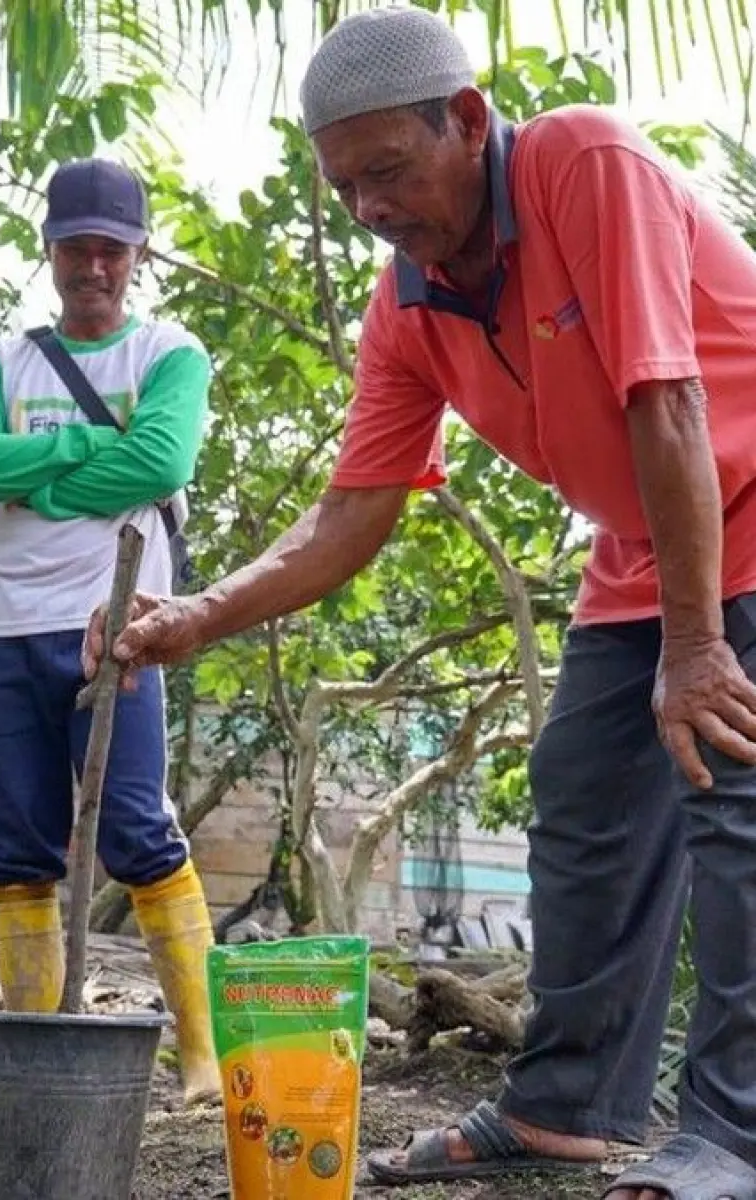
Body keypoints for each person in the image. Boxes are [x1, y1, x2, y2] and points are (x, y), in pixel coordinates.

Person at [83, 9, 756, 1199]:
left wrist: (697, 645)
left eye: (388, 171)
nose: (371, 207)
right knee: (585, 805)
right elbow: (353, 512)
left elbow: (669, 401)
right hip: (645, 544)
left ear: (469, 123)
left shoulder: (581, 163)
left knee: (733, 798)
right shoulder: (406, 309)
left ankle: (738, 1133)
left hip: (733, 508)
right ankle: (568, 1108)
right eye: (344, 188)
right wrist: (201, 613)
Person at [0, 158, 219, 1104]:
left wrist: (38, 482)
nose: (93, 266)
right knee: (17, 844)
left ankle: (201, 1053)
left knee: (138, 830)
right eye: (76, 248)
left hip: (116, 620)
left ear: (137, 255)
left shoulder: (170, 354)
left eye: (112, 248)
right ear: (50, 251)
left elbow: (161, 457)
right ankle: (32, 1048)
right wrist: (81, 449)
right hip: (3, 624)